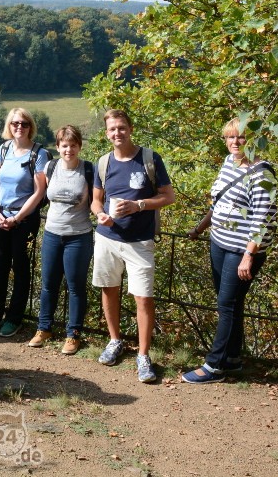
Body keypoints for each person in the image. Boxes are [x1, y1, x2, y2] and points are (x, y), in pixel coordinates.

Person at [182, 119, 277, 383]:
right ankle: (232, 359)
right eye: (230, 137)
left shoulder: (262, 173)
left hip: (241, 250)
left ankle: (214, 366)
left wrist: (249, 255)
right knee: (231, 304)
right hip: (219, 242)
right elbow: (218, 203)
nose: (235, 142)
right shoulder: (229, 162)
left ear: (254, 140)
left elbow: (264, 218)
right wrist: (200, 228)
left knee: (227, 304)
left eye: (241, 137)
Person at [91, 109, 175, 383]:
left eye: (122, 128)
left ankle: (143, 355)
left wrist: (138, 205)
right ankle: (115, 340)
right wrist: (100, 214)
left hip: (140, 242)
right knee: (109, 290)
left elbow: (168, 196)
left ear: (131, 128)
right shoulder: (103, 163)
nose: (117, 133)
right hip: (108, 238)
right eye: (112, 129)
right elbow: (95, 200)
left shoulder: (149, 159)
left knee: (143, 298)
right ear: (106, 133)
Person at [0, 108, 48, 338]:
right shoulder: (3, 149)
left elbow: (39, 192)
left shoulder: (39, 154)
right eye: (14, 123)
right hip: (1, 217)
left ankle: (14, 318)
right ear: (8, 126)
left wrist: (17, 218)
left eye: (24, 123)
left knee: (20, 268)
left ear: (31, 126)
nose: (19, 127)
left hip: (24, 220)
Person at [28, 125, 94, 355]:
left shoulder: (88, 170)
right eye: (64, 145)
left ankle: (73, 333)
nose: (69, 149)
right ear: (57, 147)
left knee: (75, 287)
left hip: (79, 236)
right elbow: (40, 194)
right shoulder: (50, 166)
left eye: (73, 145)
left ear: (79, 146)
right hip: (52, 233)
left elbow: (96, 201)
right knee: (48, 284)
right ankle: (44, 328)